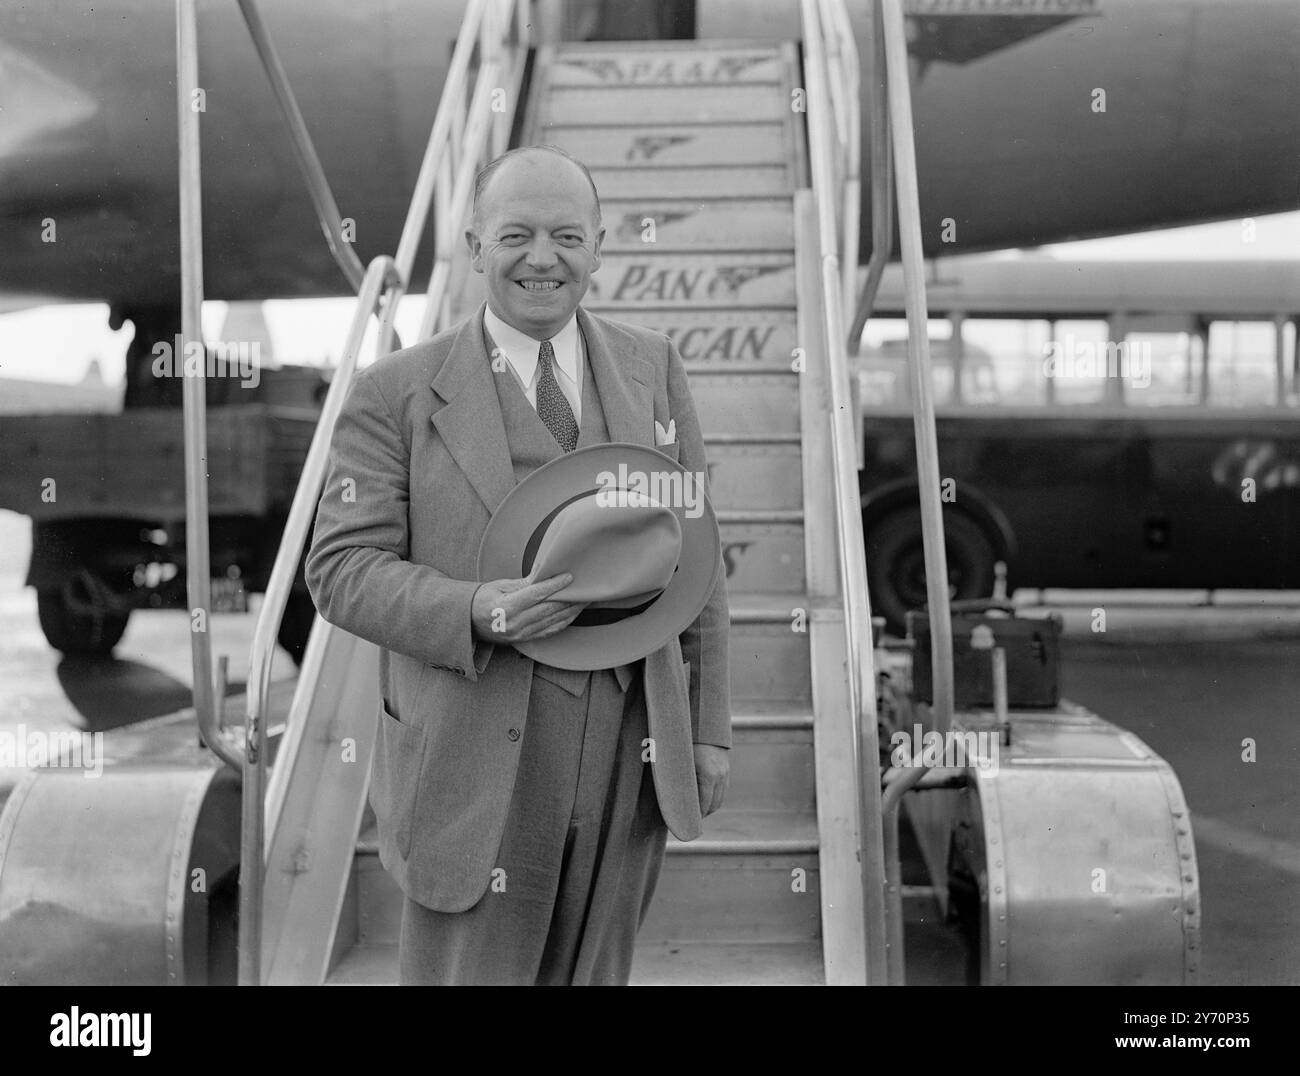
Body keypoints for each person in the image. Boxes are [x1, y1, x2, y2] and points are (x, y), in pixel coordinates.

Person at [306, 145, 731, 985]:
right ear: (473, 246)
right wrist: (471, 608)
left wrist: (709, 731)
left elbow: (700, 564)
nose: (544, 258)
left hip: (629, 744)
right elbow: (340, 567)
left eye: (568, 236)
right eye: (517, 235)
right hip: (474, 743)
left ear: (600, 248)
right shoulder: (392, 391)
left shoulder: (654, 368)